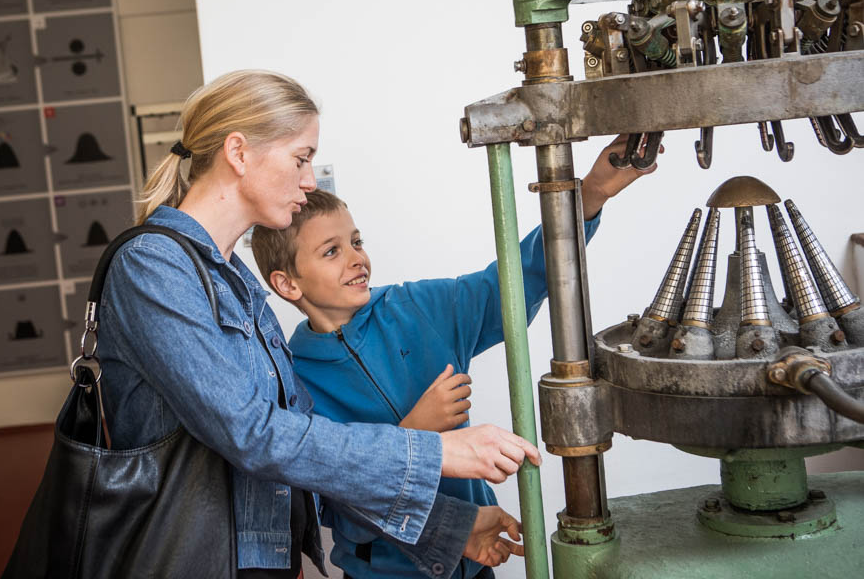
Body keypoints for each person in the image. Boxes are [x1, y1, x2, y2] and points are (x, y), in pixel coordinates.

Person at [97, 69, 543, 579]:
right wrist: (431, 449)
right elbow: (256, 435)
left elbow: (307, 454)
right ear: (239, 153)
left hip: (256, 559)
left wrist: (450, 525)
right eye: (300, 159)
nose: (310, 181)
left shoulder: (234, 279)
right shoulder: (153, 267)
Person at [249, 135, 658, 578]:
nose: (357, 258)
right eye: (331, 251)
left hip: (474, 560)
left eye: (356, 241)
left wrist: (591, 194)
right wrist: (416, 433)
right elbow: (338, 509)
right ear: (288, 284)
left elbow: (514, 282)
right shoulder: (292, 381)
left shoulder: (418, 308)